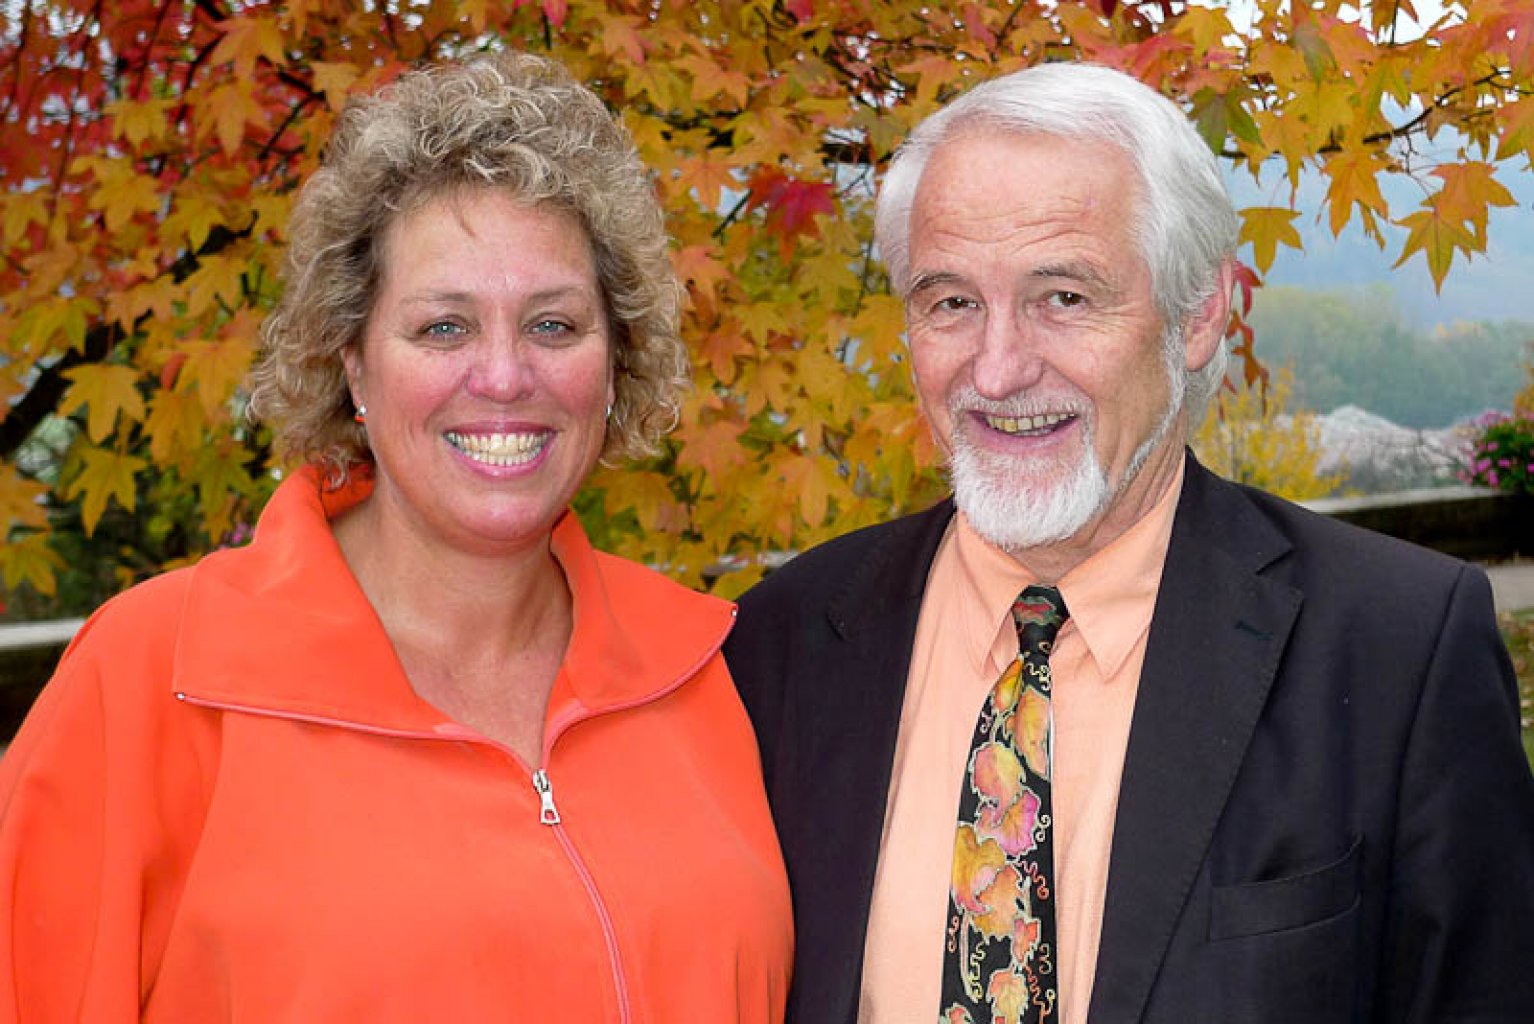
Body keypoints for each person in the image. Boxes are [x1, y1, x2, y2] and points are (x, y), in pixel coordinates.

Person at [724, 61, 1534, 1024]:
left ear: (1198, 315)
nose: (997, 369)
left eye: (1064, 298)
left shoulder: (1397, 647)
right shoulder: (784, 640)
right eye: (951, 302)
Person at [0, 52, 792, 1020]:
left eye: (553, 325)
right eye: (443, 328)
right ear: (354, 364)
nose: (503, 376)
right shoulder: (156, 677)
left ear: (614, 363)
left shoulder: (703, 671)